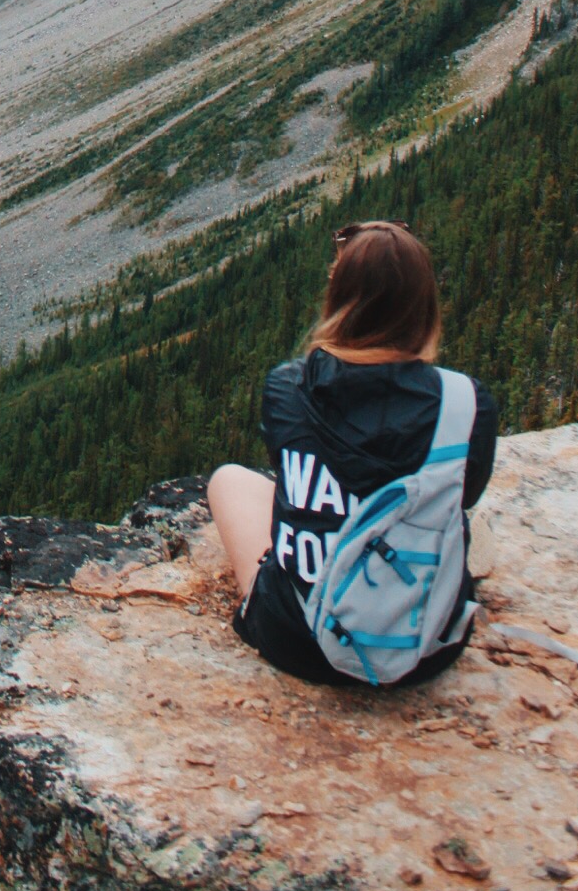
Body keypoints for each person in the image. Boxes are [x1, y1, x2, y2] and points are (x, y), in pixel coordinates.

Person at [207, 219, 497, 686]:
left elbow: (289, 470)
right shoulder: (467, 404)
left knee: (230, 481)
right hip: (422, 649)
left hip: (299, 641)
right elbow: (467, 494)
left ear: (338, 302)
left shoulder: (288, 386)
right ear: (424, 307)